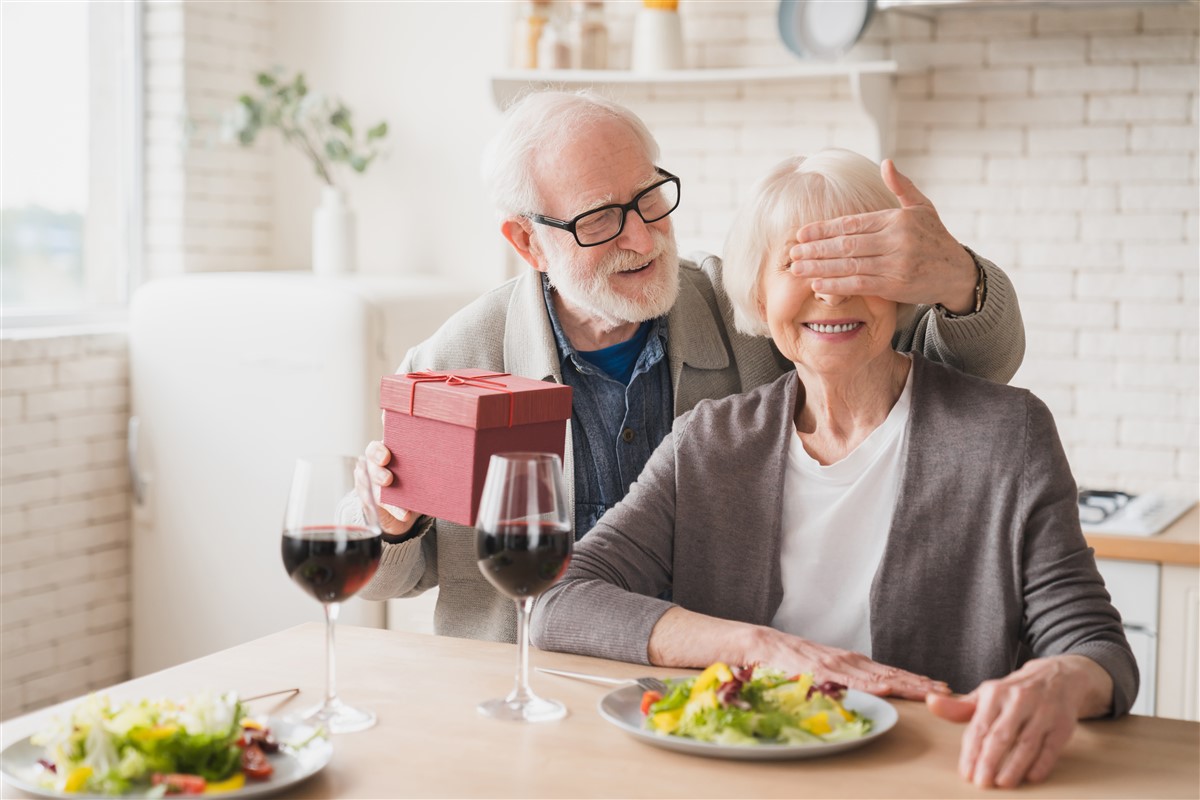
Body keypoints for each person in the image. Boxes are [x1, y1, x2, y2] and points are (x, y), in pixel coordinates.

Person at [529, 148, 1135, 790]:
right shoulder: (709, 442)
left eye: (858, 262)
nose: (832, 290)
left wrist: (1061, 680)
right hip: (737, 779)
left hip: (939, 776)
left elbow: (1097, 648)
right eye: (799, 263)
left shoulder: (1006, 434)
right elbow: (561, 603)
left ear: (904, 282)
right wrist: (759, 648)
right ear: (758, 292)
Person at [356, 89, 1026, 643]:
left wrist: (959, 279)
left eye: (649, 198)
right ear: (527, 241)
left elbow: (960, 375)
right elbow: (395, 578)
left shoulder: (745, 307)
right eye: (601, 220)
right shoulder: (453, 362)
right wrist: (389, 525)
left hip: (715, 694)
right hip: (530, 695)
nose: (644, 238)